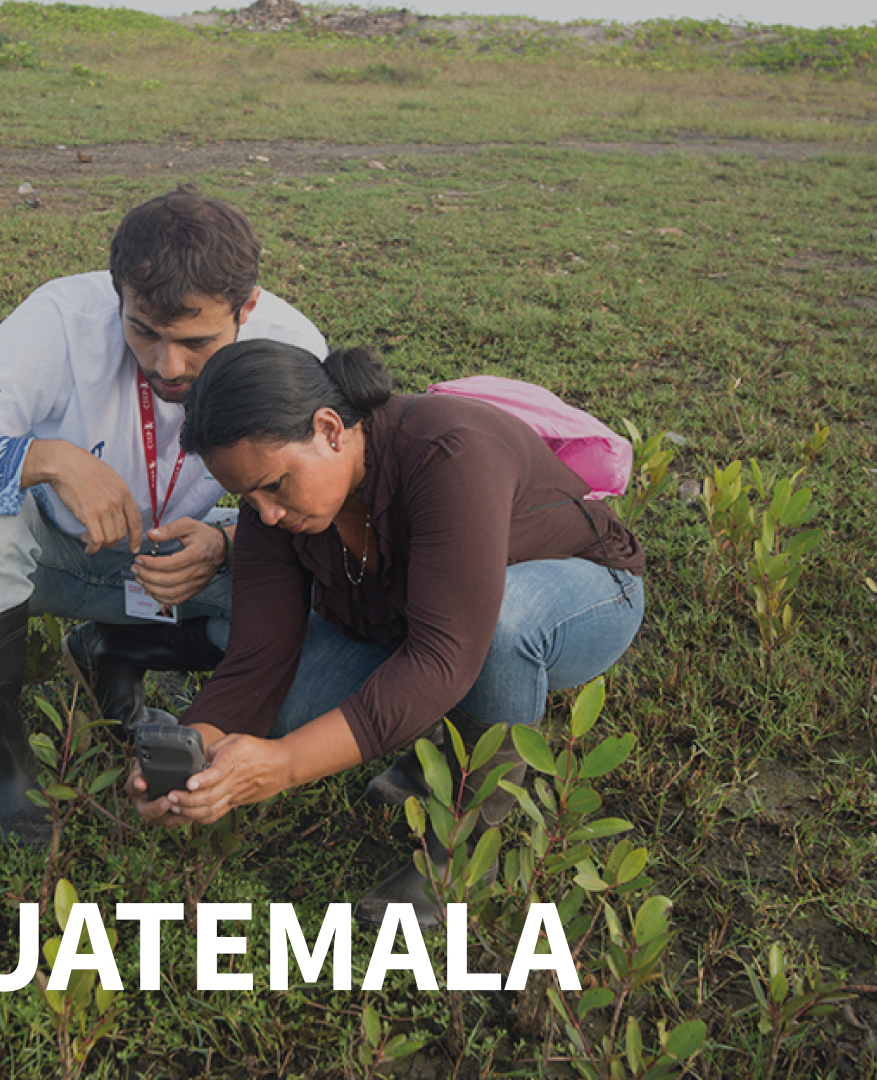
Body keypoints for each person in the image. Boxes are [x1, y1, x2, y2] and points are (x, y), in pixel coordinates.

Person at [131, 341, 645, 925]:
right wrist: (192, 755)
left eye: (274, 485)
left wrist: (285, 765)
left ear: (329, 430)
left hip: (583, 594)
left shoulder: (450, 451)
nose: (266, 512)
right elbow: (256, 661)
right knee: (293, 708)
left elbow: (443, 658)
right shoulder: (271, 509)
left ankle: (464, 847)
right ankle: (438, 752)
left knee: (500, 627)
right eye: (246, 495)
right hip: (422, 621)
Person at [0, 188, 326, 847]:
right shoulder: (61, 317)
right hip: (54, 553)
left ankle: (110, 651)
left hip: (178, 562)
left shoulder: (293, 348)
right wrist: (46, 458)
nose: (168, 365)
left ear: (247, 308)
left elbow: (318, 500)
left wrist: (227, 541)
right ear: (117, 294)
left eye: (196, 342)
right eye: (142, 331)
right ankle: (5, 765)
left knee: (309, 590)